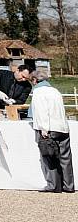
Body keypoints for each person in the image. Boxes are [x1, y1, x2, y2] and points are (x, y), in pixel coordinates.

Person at [31, 65, 75, 193]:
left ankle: (54, 185)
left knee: (49, 156)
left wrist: (44, 129)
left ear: (34, 80)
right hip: (62, 127)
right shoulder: (55, 91)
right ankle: (69, 185)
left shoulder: (38, 92)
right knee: (65, 158)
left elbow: (41, 112)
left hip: (49, 127)